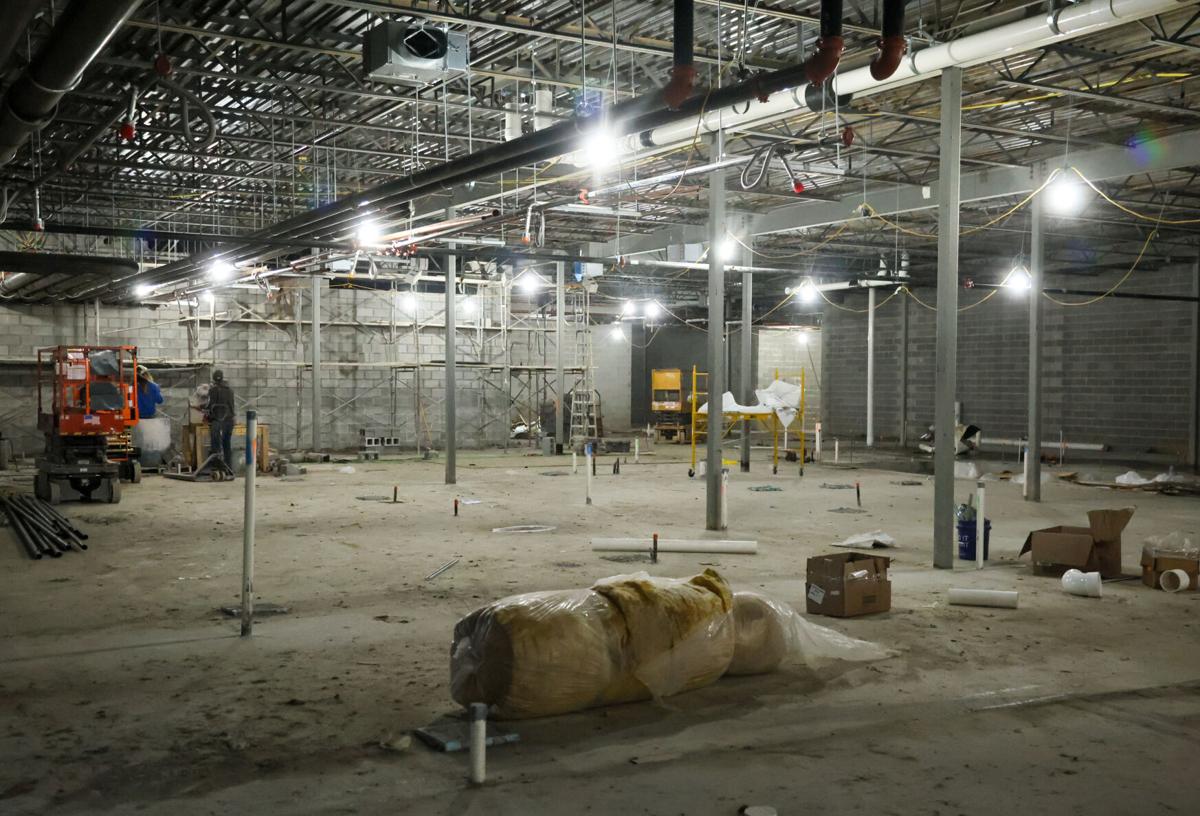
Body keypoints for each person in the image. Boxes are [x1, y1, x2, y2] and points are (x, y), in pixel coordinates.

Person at [207, 369, 236, 470]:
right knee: (226, 443)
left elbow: (210, 406)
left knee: (216, 445)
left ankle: (217, 466)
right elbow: (232, 406)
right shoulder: (230, 390)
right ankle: (228, 467)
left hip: (217, 421)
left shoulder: (212, 390)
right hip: (229, 420)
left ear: (214, 379)